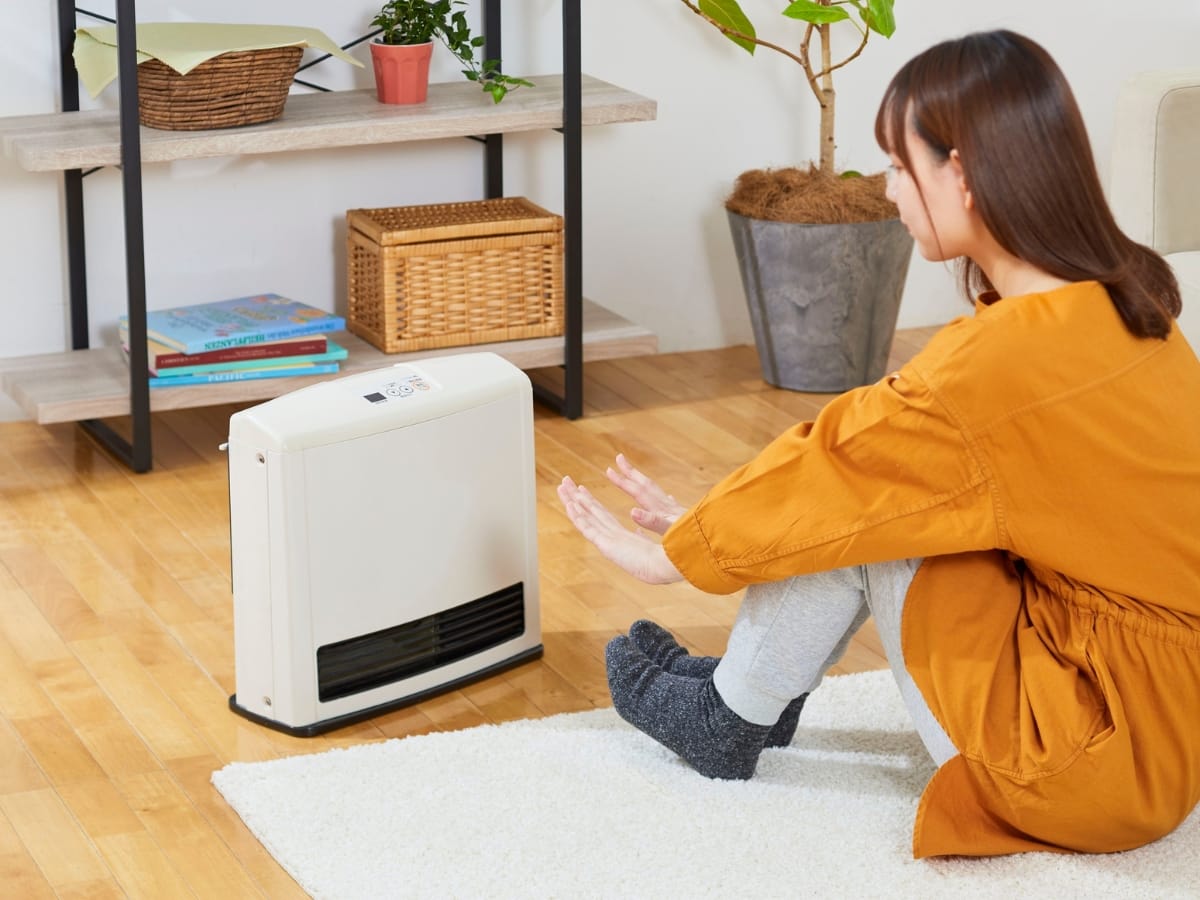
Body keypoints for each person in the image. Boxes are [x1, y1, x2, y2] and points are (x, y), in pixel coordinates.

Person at [557, 29, 1200, 859]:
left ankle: (731, 714)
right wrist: (712, 526)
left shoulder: (997, 365)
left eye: (899, 165)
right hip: (1167, 731)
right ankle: (752, 693)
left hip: (1083, 762)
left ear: (962, 174)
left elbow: (843, 465)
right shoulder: (1127, 301)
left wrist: (680, 551)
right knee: (879, 485)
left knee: (868, 499)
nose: (887, 190)